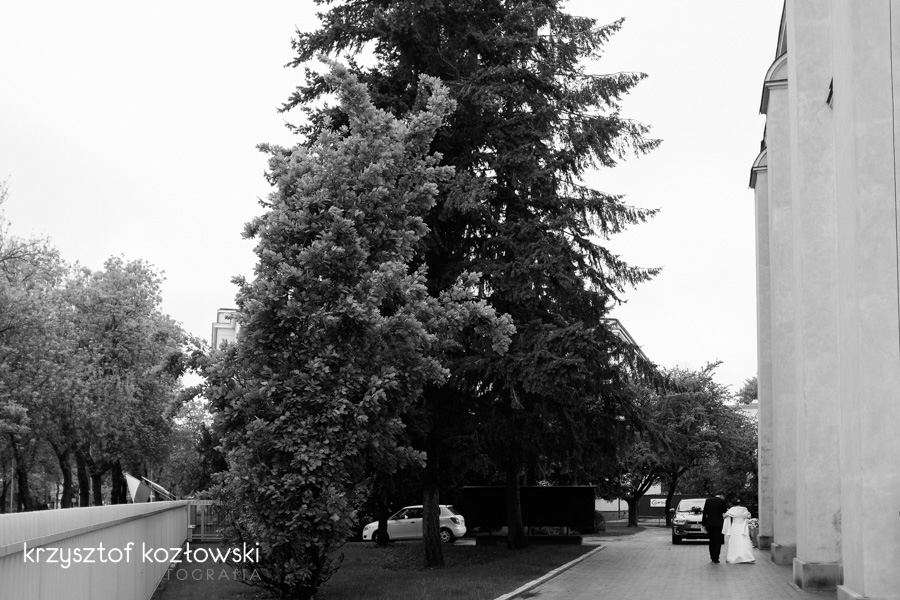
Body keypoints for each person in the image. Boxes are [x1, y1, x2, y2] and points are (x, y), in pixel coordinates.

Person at [722, 498, 756, 564]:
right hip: (743, 526)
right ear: (740, 503)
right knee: (744, 540)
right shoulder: (744, 509)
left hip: (735, 526)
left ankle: (734, 557)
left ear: (732, 503)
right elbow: (749, 516)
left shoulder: (732, 509)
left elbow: (725, 516)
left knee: (735, 541)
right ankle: (748, 557)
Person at [701, 492, 727, 563]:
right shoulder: (722, 502)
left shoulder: (708, 501)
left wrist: (703, 523)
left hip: (710, 523)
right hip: (719, 524)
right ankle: (716, 557)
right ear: (721, 495)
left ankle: (712, 556)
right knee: (718, 541)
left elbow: (705, 512)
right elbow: (724, 512)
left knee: (711, 540)